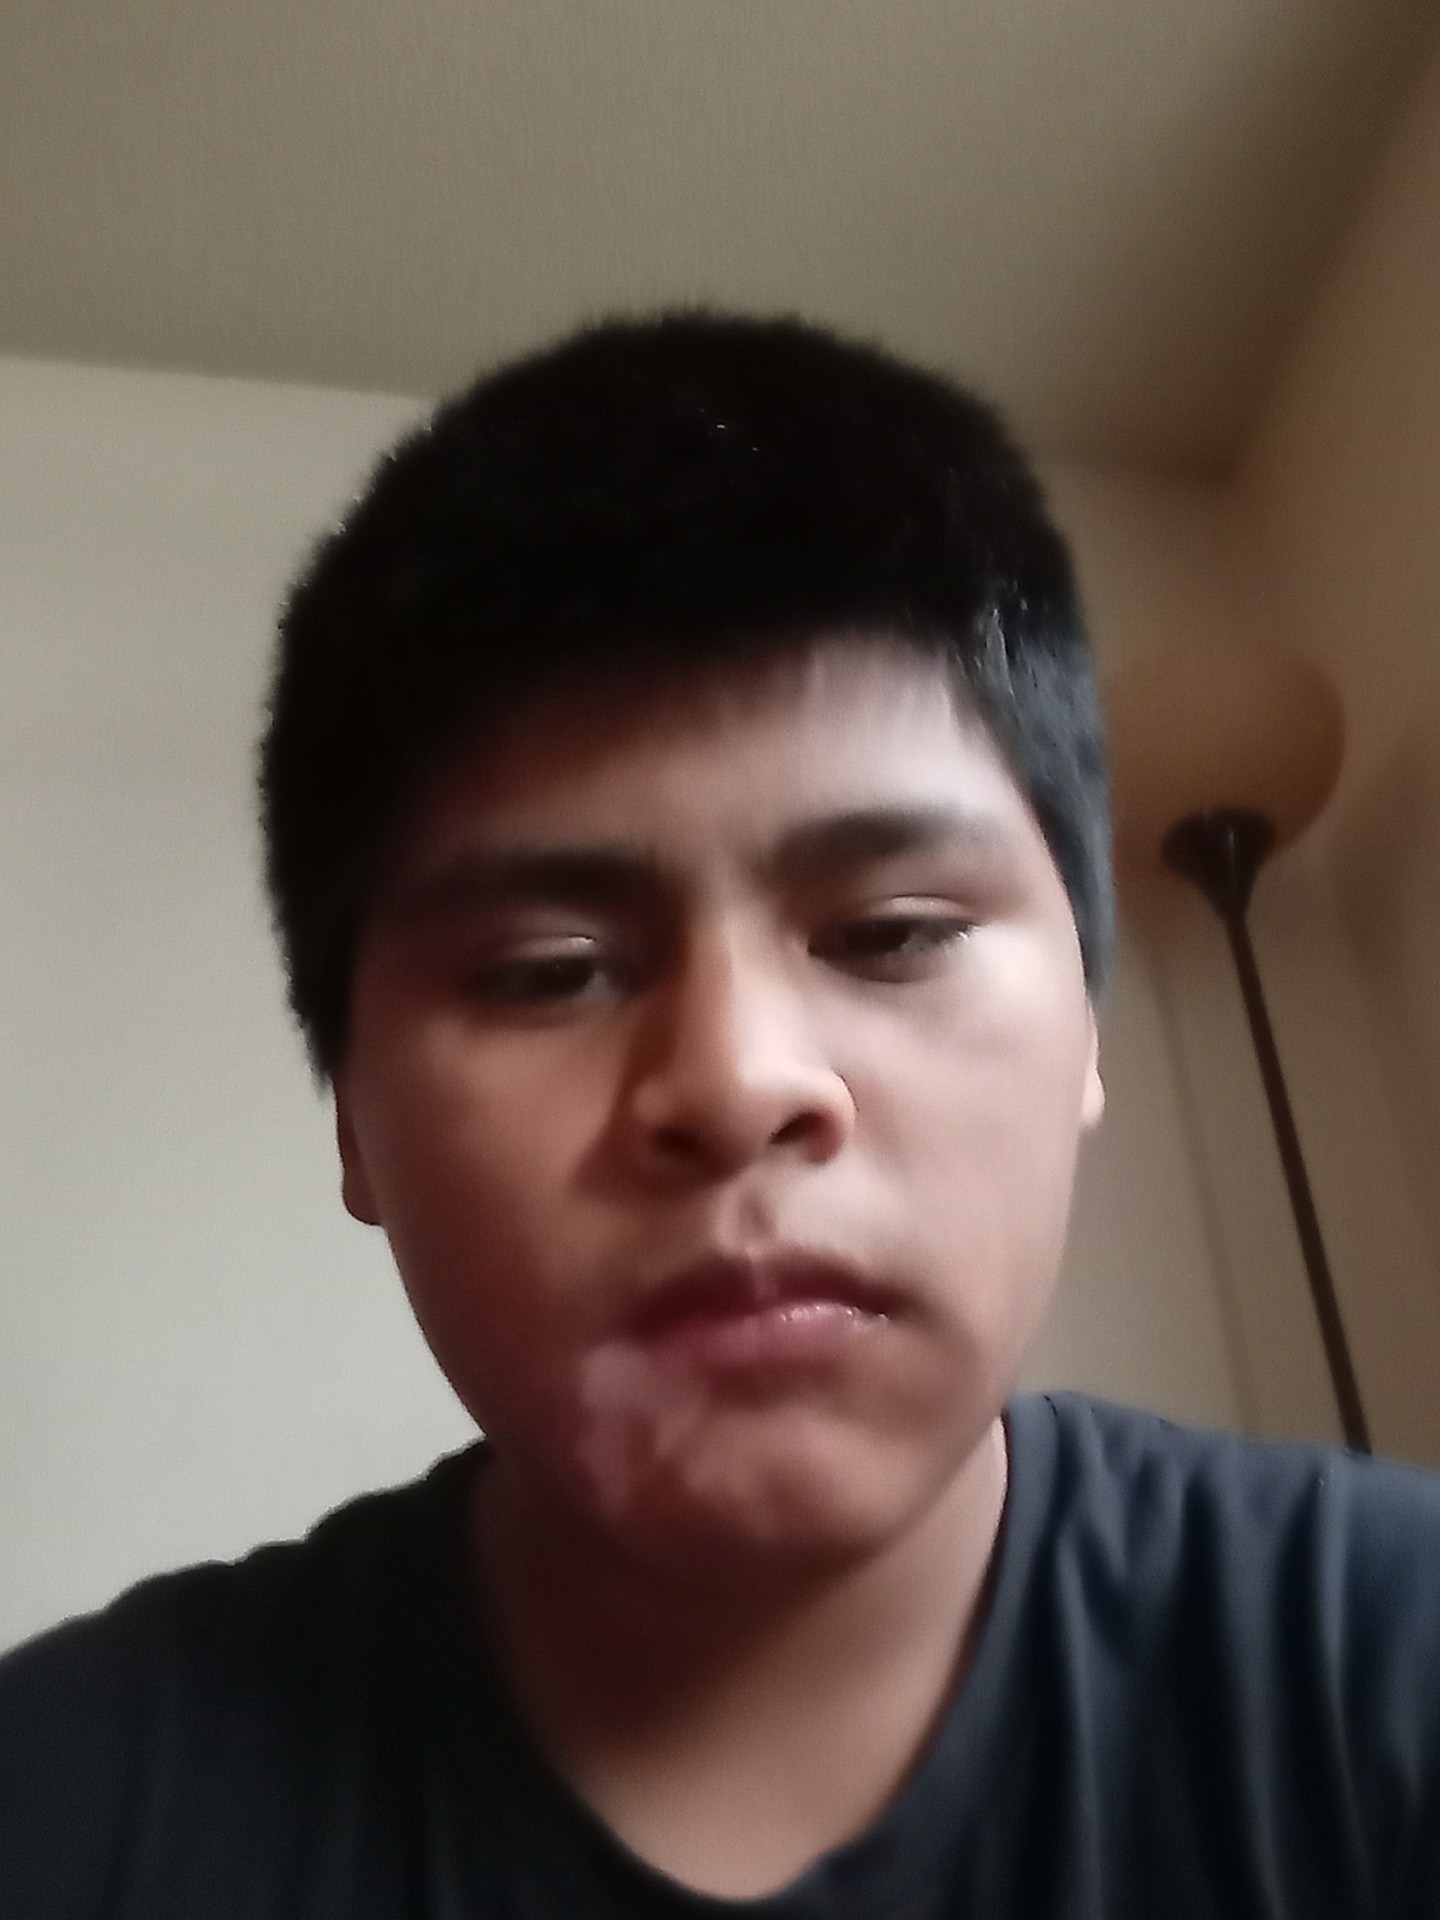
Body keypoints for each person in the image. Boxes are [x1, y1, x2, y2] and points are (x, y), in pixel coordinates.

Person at [2, 312, 1437, 1918]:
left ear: (1088, 1029)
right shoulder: (63, 1803)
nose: (741, 1083)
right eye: (547, 972)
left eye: (893, 933)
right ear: (354, 1124)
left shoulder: (1390, 1659)